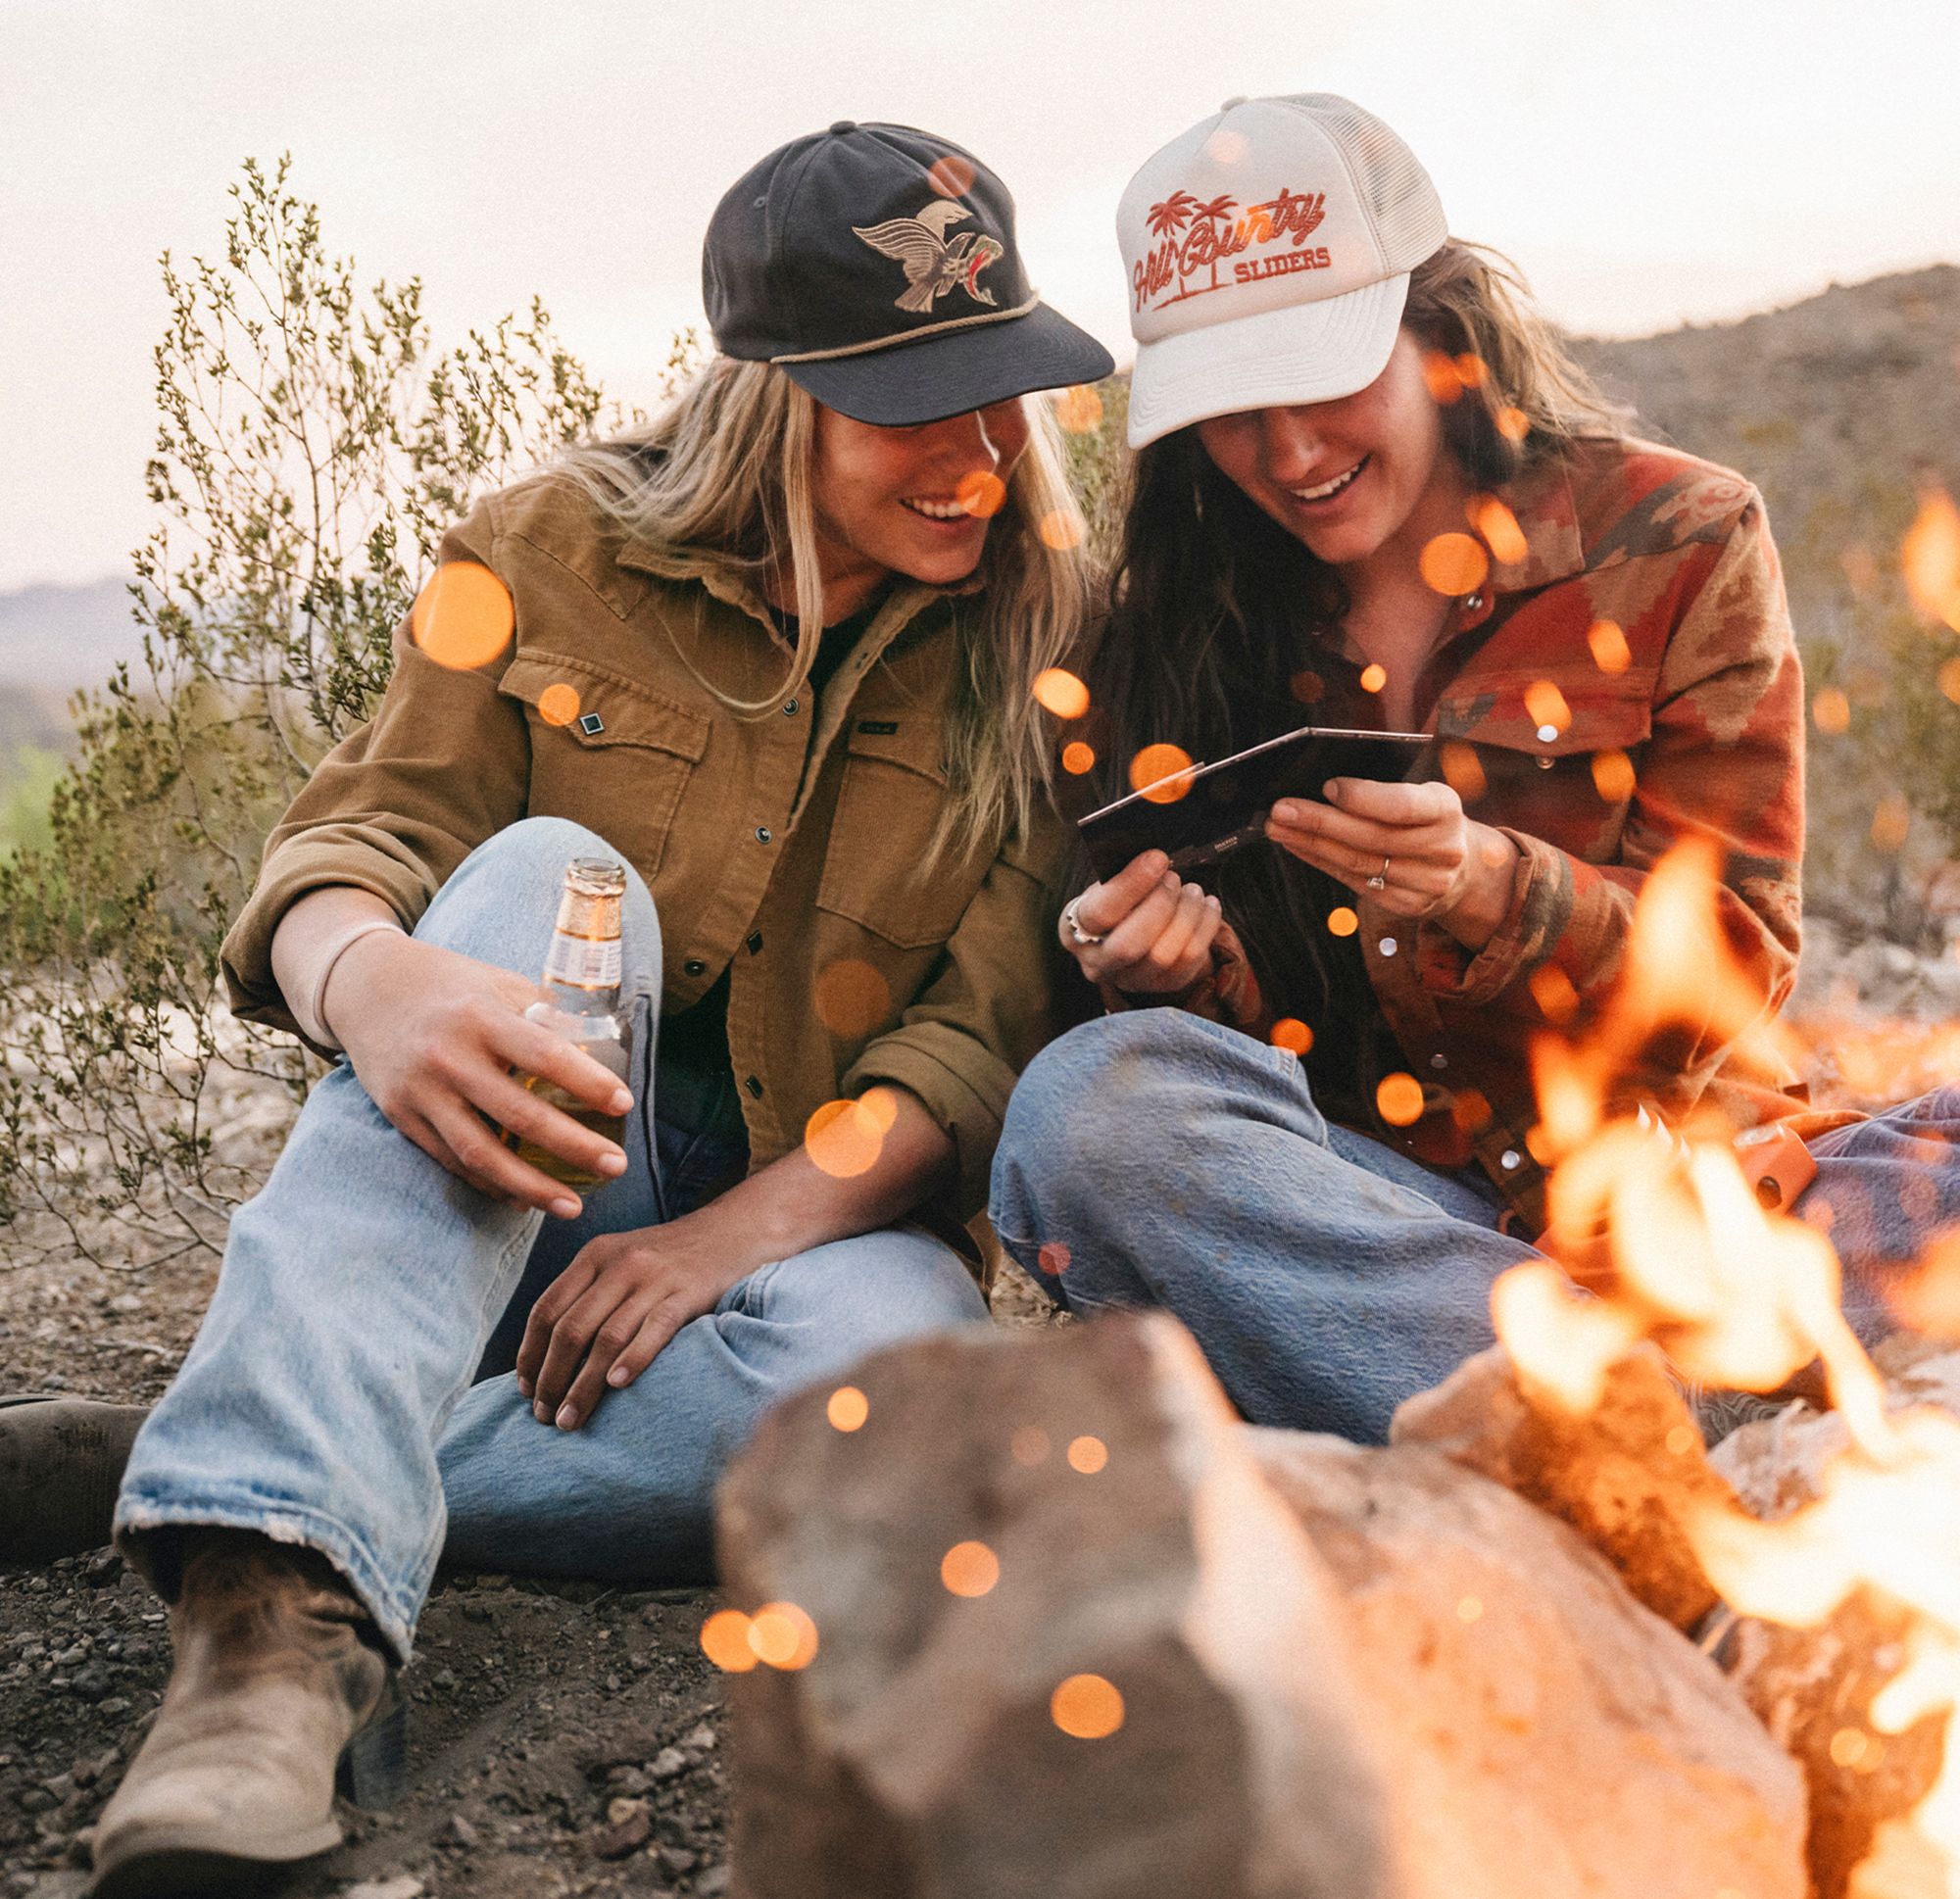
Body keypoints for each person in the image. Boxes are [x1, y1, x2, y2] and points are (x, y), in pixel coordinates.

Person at [0, 121, 1111, 1895]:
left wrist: (711, 1245)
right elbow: (364, 831)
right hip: (504, 1189)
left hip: (805, 1222)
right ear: (775, 396)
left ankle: (247, 1440)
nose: (985, 459)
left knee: (908, 1385)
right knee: (531, 875)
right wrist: (371, 977)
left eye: (1007, 395)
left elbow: (969, 1040)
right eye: (920, 405)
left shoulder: (1043, 635)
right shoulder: (535, 547)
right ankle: (266, 1632)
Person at [989, 92, 1960, 1445]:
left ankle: (1524, 1411)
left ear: (1441, 333)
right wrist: (1184, 977)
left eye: (1326, 381)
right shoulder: (1166, 630)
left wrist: (1495, 888)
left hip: (1699, 1197)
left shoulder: (1680, 536)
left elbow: (1732, 974)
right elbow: (1264, 1098)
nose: (1291, 455)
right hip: (1390, 1224)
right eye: (1233, 413)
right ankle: (1633, 1418)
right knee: (1088, 1118)